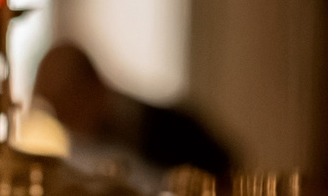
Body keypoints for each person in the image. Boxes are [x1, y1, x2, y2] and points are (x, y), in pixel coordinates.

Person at [28, 41, 234, 182]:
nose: (63, 120)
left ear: (91, 85)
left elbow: (225, 173)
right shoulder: (78, 151)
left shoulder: (179, 131)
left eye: (65, 106)